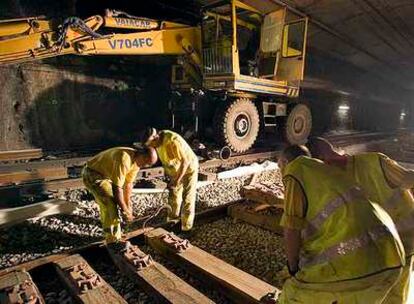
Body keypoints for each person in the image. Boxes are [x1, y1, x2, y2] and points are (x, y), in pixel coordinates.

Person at [277, 145, 405, 304]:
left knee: (293, 294)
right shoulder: (330, 172)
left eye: (279, 166)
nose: (280, 172)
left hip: (358, 265)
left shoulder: (296, 169)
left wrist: (293, 268)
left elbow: (291, 229)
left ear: (285, 161)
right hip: (393, 257)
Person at [308, 137, 414, 303]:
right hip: (377, 252)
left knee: (393, 296)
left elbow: (410, 179)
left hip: (403, 242)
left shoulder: (375, 163)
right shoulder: (335, 181)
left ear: (321, 161)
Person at [82, 146, 157, 243]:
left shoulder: (136, 163)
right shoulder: (124, 158)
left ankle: (114, 233)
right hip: (92, 174)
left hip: (105, 176)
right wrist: (124, 209)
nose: (146, 166)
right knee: (110, 203)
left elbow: (128, 184)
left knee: (117, 203)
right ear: (142, 155)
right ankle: (113, 240)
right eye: (146, 162)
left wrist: (128, 204)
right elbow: (117, 188)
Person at [143, 128, 198, 232]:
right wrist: (173, 180)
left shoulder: (172, 140)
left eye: (152, 144)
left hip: (189, 169)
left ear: (156, 138)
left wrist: (177, 180)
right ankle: (173, 223)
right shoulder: (158, 143)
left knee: (188, 198)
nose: (152, 147)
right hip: (176, 171)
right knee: (174, 197)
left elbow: (185, 162)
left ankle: (187, 228)